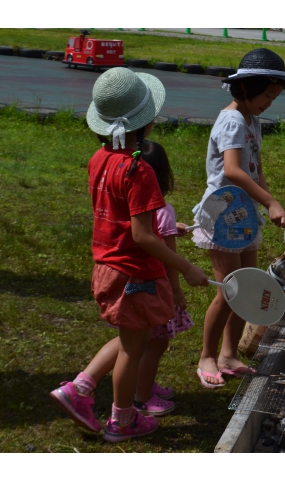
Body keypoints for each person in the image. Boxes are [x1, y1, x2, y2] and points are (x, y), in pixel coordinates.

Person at [50, 68, 209, 442]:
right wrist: (186, 268)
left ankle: (81, 387)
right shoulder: (138, 171)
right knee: (132, 350)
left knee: (127, 340)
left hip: (105, 266)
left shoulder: (99, 159)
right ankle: (123, 420)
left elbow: (123, 221)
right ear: (147, 122)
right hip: (135, 274)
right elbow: (142, 236)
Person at [192, 48, 285, 388]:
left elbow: (255, 168)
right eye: (267, 95)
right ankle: (207, 356)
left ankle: (228, 355)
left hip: (244, 214)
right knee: (228, 290)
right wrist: (268, 200)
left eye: (274, 97)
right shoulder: (233, 120)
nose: (270, 102)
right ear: (248, 88)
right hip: (222, 213)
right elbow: (234, 171)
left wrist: (268, 202)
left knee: (247, 289)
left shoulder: (251, 119)